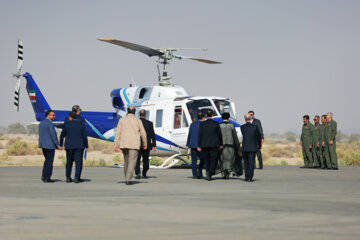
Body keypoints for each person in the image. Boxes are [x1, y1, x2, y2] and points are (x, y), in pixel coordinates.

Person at [114, 107, 147, 185]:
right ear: (134, 112)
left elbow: (117, 132)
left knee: (126, 162)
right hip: (134, 144)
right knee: (132, 162)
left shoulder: (122, 120)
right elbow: (143, 133)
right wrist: (145, 144)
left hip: (124, 144)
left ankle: (126, 178)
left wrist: (116, 144)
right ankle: (128, 179)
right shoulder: (138, 121)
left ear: (127, 112)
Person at [60, 112, 88, 183]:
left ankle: (68, 178)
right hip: (79, 146)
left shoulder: (66, 125)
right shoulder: (81, 125)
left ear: (70, 117)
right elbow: (84, 136)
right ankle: (77, 178)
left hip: (69, 146)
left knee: (69, 162)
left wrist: (61, 144)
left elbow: (62, 135)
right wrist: (86, 145)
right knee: (78, 163)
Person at [197, 109, 223, 181]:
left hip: (205, 145)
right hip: (214, 145)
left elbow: (200, 135)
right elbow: (219, 135)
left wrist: (199, 145)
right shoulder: (216, 123)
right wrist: (221, 144)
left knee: (207, 160)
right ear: (212, 115)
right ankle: (210, 172)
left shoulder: (202, 124)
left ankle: (208, 171)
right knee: (213, 160)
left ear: (206, 115)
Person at [38, 110, 62, 183]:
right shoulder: (50, 124)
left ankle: (44, 175)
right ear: (48, 115)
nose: (54, 117)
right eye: (53, 115)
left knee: (46, 161)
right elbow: (53, 135)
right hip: (50, 146)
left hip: (43, 145)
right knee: (49, 162)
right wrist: (58, 145)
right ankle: (47, 177)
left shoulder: (41, 123)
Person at [219, 112, 242, 179]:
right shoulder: (231, 125)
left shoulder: (219, 125)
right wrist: (237, 145)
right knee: (230, 158)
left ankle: (224, 171)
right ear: (228, 118)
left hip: (222, 145)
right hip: (230, 144)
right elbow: (234, 136)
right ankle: (229, 170)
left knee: (223, 158)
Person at [135, 109, 156, 179]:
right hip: (146, 144)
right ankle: (144, 173)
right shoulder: (150, 123)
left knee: (137, 160)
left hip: (137, 144)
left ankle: (137, 173)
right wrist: (154, 145)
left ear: (139, 115)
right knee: (146, 160)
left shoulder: (136, 123)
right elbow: (152, 135)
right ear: (146, 115)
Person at [241, 113, 261, 182]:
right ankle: (250, 177)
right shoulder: (255, 127)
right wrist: (259, 145)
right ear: (251, 119)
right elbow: (259, 137)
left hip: (245, 147)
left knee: (246, 163)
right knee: (251, 162)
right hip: (252, 147)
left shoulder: (242, 127)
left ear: (245, 119)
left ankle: (246, 177)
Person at [186, 112, 205, 179]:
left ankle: (194, 174)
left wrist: (187, 144)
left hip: (192, 145)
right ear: (203, 118)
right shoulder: (203, 125)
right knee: (203, 159)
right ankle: (199, 170)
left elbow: (189, 135)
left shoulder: (192, 124)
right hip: (200, 145)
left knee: (194, 161)